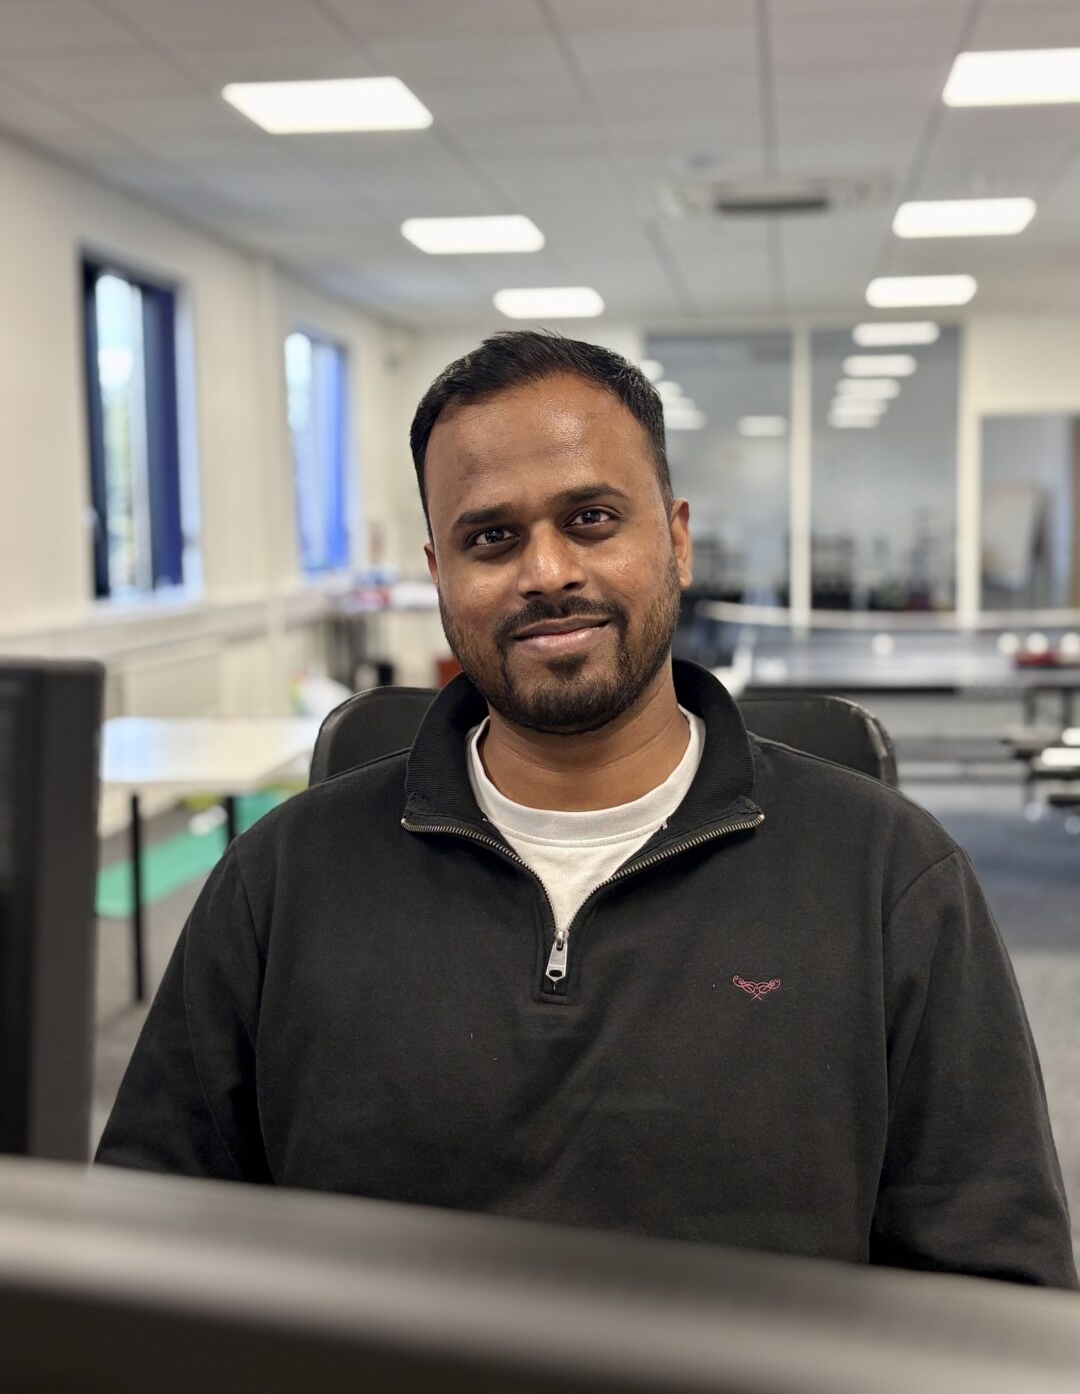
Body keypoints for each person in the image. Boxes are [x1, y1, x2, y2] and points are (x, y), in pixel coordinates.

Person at [98, 330, 1077, 1289]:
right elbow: (143, 1259)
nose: (548, 571)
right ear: (442, 576)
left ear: (677, 539)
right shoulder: (281, 880)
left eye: (593, 519)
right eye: (492, 537)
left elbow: (993, 1296)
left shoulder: (889, 877)